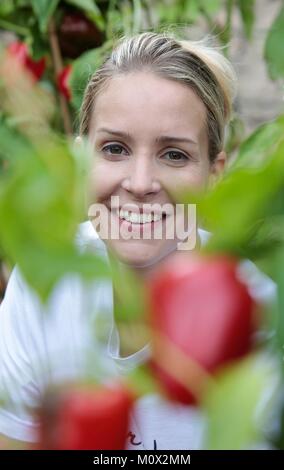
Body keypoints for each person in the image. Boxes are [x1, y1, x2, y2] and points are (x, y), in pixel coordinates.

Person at [0, 31, 277, 450]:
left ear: (214, 174)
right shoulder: (46, 280)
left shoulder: (258, 313)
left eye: (174, 154)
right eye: (114, 148)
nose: (141, 183)